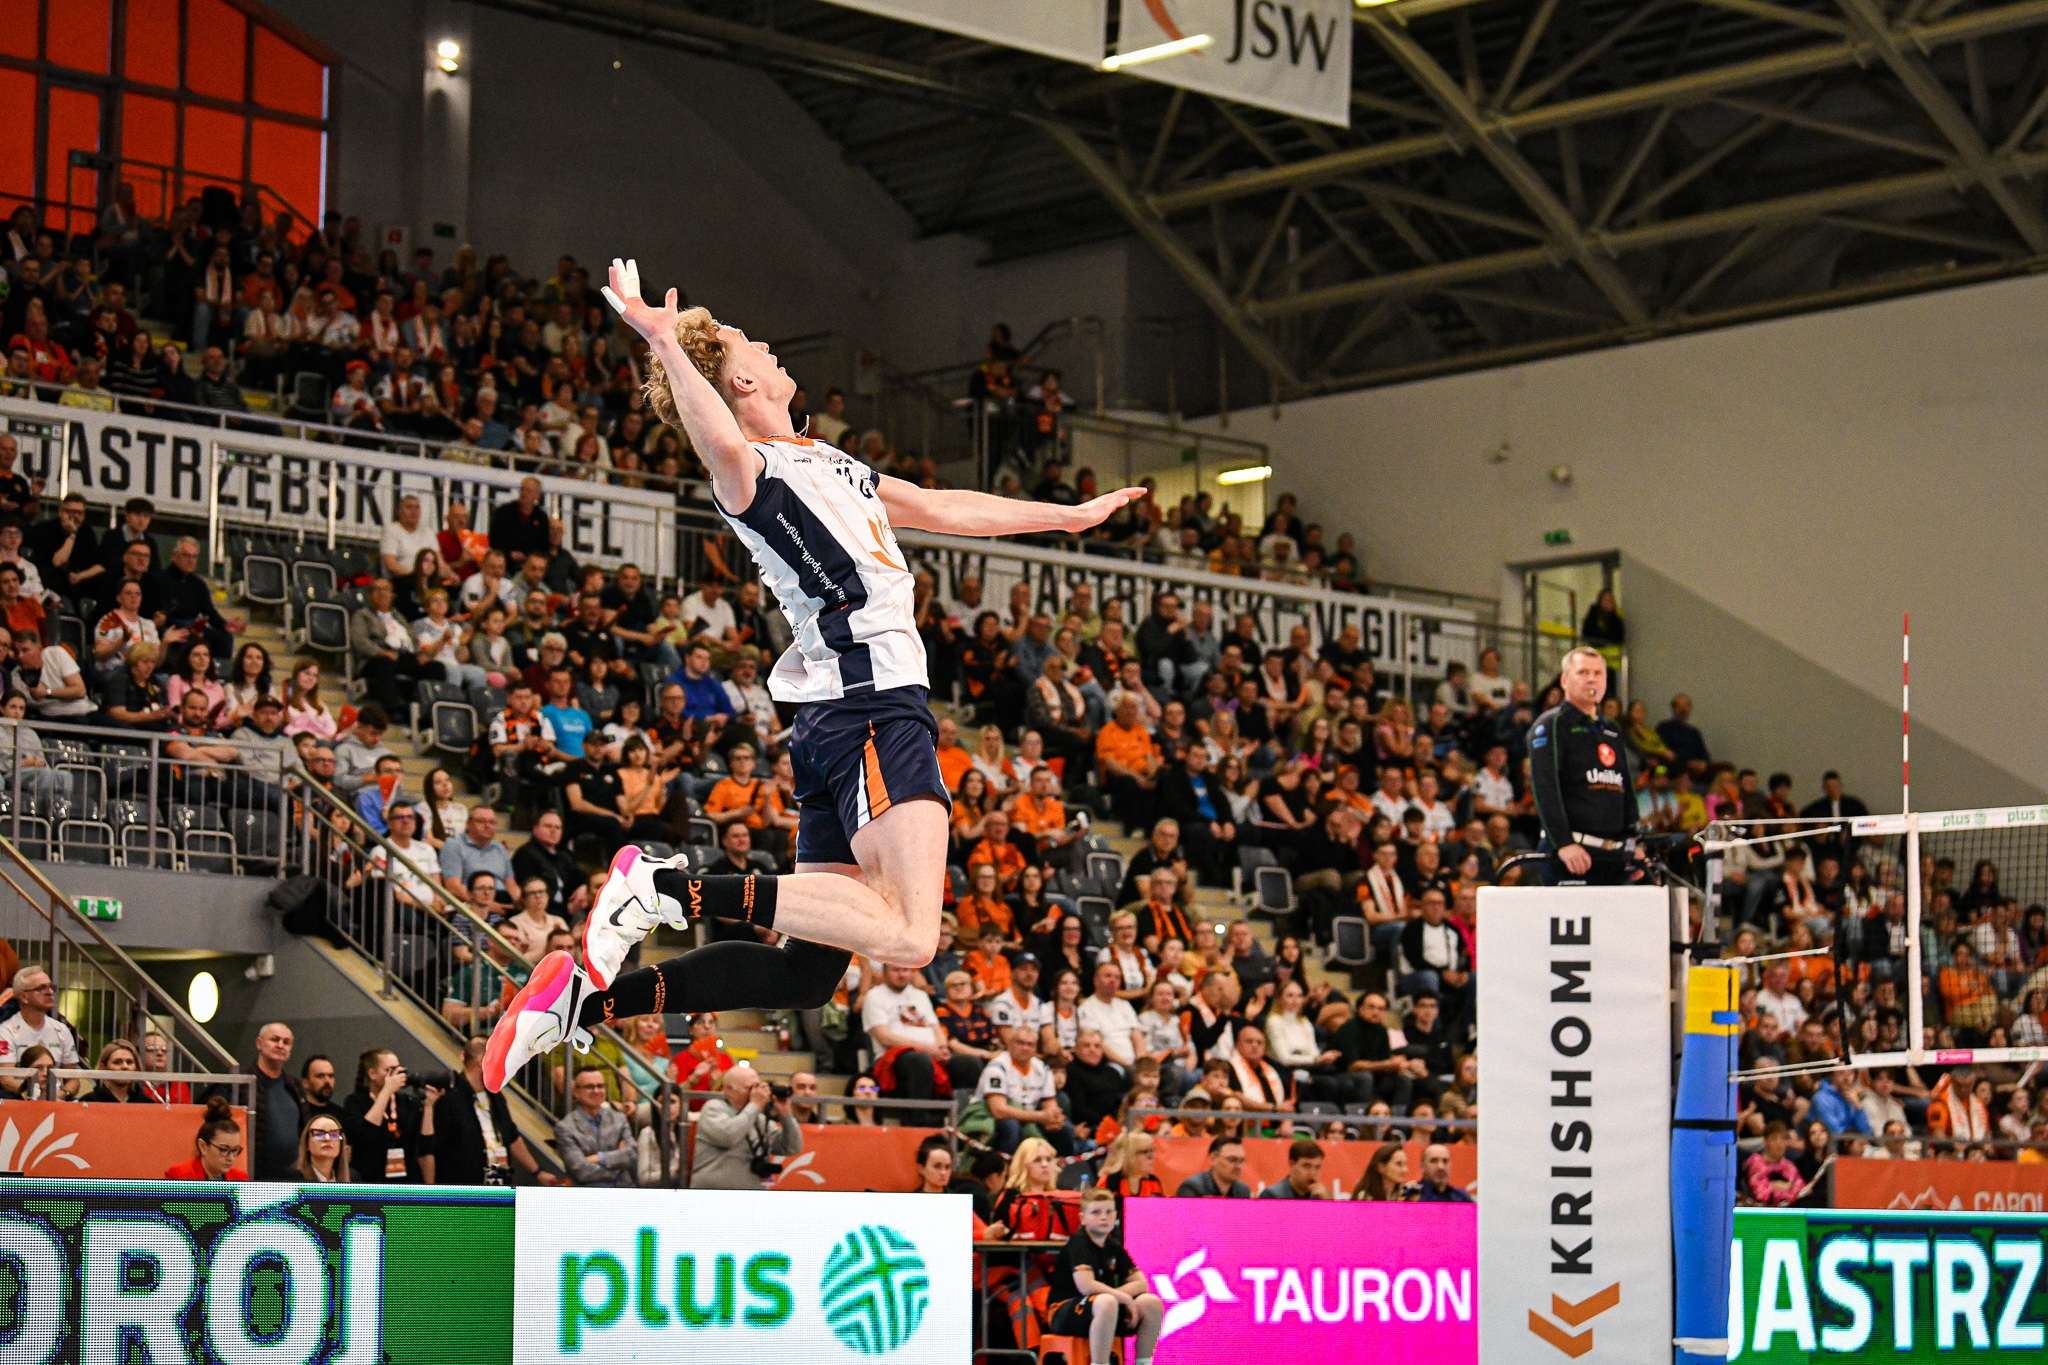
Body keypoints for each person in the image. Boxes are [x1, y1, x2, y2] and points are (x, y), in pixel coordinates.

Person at [484, 264, 1143, 1090]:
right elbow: (717, 442)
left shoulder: (829, 460)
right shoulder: (754, 471)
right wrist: (666, 343)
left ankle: (582, 1004)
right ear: (743, 382)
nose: (762, 344)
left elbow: (944, 506)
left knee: (805, 974)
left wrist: (1068, 517)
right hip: (873, 707)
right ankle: (660, 888)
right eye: (746, 343)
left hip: (838, 719)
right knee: (912, 937)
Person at [1529, 646, 1642, 885]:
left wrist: (1634, 844)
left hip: (1613, 856)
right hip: (1571, 854)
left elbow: (1626, 791)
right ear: (1564, 680)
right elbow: (1545, 787)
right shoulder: (1552, 724)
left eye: (1598, 673)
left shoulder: (1612, 729)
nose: (1592, 679)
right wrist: (1563, 843)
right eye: (1583, 672)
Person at [1045, 1189, 1165, 1365]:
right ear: (1082, 1218)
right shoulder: (1079, 1243)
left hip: (1104, 1310)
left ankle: (1143, 1362)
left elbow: (1141, 1283)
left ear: (1115, 1216)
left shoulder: (1113, 1246)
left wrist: (1119, 1297)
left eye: (1109, 1212)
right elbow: (1086, 1286)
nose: (1103, 1217)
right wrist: (1123, 1297)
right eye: (1096, 1212)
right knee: (1106, 1301)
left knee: (1151, 1303)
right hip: (1063, 1311)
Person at [691, 1062, 803, 1189]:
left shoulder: (758, 1118)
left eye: (758, 1086)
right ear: (729, 1089)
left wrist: (786, 1115)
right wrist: (754, 1106)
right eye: (750, 1088)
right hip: (713, 1193)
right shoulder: (713, 1108)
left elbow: (792, 1148)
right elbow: (728, 1137)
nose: (756, 1093)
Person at [341, 1048, 438, 1185]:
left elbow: (425, 1143)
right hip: (370, 1180)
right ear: (372, 1074)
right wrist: (387, 1090)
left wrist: (428, 1107)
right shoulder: (355, 1101)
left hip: (405, 1181)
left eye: (398, 1069)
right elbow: (365, 1134)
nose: (395, 1075)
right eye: (389, 1070)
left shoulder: (407, 1102)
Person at [556, 1064, 638, 1187]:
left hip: (625, 1189)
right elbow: (580, 1170)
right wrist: (617, 1168)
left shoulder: (619, 1119)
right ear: (576, 1092)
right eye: (589, 1087)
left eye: (600, 1086)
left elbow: (632, 1154)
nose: (596, 1091)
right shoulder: (565, 1128)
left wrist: (598, 1158)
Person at [0, 966, 79, 1094]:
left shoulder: (62, 1029)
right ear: (24, 997)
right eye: (42, 988)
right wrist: (35, 1097)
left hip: (56, 1099)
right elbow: (6, 1079)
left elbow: (73, 1079)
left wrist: (62, 1095)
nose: (50, 992)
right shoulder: (5, 1031)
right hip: (21, 1098)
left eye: (50, 987)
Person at [249, 1021, 305, 1181]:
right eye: (275, 1039)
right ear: (259, 1043)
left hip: (292, 1177)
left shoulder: (295, 1086)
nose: (281, 1045)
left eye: (286, 1042)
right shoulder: (244, 1083)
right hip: (255, 1176)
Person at [164, 1097, 249, 1181]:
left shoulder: (240, 1178)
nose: (231, 1158)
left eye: (235, 1150)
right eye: (224, 1150)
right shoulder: (178, 1176)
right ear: (203, 1146)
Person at [1174, 1134, 1250, 1197]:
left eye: (1241, 1161)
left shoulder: (1243, 1191)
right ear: (1213, 1159)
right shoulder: (1192, 1188)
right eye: (1232, 1160)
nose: (1238, 1166)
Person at [1259, 1138, 1331, 1199]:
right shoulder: (1272, 1195)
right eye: (1306, 1166)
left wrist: (1328, 1202)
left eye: (1317, 1167)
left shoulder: (1322, 1195)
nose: (1312, 1173)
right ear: (1292, 1164)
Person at [293, 1113, 352, 1184]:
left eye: (334, 1134)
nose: (327, 1138)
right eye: (319, 1134)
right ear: (307, 1144)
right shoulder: (292, 1179)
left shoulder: (353, 1178)